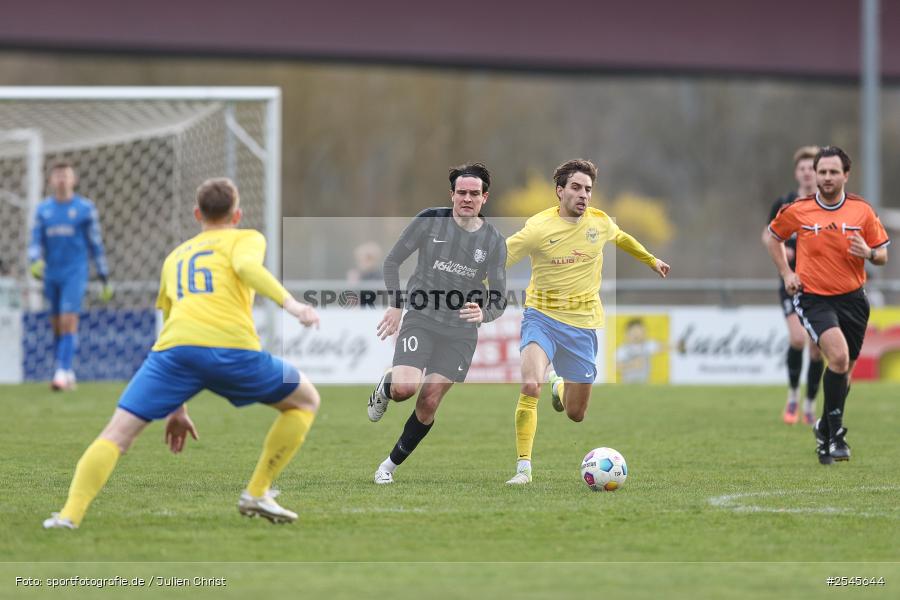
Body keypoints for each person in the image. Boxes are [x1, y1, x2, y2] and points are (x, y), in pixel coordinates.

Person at [43, 178, 321, 529]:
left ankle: (68, 517)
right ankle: (256, 491)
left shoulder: (175, 257)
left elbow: (168, 317)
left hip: (174, 352)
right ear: (237, 214)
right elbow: (248, 269)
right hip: (230, 349)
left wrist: (177, 406)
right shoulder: (246, 238)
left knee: (116, 434)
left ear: (196, 213)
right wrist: (293, 306)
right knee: (305, 400)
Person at [504, 159, 670, 485]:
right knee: (529, 384)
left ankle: (560, 384)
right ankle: (523, 468)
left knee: (576, 414)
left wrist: (651, 260)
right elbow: (501, 258)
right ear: (560, 191)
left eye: (588, 189)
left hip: (582, 325)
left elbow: (621, 238)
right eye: (577, 188)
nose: (584, 195)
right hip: (542, 317)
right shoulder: (538, 228)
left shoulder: (599, 222)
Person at [366, 163, 507, 484]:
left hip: (460, 333)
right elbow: (392, 261)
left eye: (474, 193)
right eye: (461, 193)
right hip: (421, 317)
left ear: (485, 198)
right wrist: (396, 305)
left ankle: (387, 467)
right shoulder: (430, 221)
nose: (467, 198)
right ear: (452, 194)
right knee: (404, 389)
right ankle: (386, 387)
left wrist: (484, 313)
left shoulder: (494, 242)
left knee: (428, 402)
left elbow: (499, 297)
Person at [766, 146, 890, 465]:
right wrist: (787, 273)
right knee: (837, 356)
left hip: (853, 299)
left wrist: (869, 253)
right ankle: (836, 435)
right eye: (822, 172)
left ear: (846, 175)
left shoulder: (861, 210)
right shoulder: (799, 209)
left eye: (833, 172)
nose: (826, 177)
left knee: (844, 371)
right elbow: (773, 237)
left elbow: (882, 254)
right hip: (813, 297)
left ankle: (823, 428)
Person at [28, 161, 113, 391]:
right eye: (57, 176)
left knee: (68, 320)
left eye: (66, 175)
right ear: (51, 181)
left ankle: (61, 373)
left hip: (75, 273)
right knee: (56, 324)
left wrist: (104, 275)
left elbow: (95, 243)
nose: (62, 179)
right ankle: (67, 370)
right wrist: (34, 260)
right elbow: (35, 240)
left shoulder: (85, 209)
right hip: (51, 273)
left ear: (73, 179)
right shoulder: (43, 210)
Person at [761, 146, 825, 425]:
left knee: (816, 348)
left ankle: (810, 404)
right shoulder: (785, 202)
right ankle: (792, 398)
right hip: (791, 281)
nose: (807, 173)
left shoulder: (826, 204)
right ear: (796, 172)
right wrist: (782, 252)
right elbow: (768, 235)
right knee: (798, 339)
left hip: (820, 282)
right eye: (803, 168)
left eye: (812, 168)